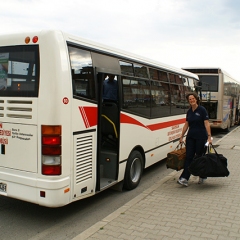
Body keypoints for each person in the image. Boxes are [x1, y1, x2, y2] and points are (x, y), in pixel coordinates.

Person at [178, 92, 212, 187]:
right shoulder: (189, 112)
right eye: (190, 99)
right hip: (191, 138)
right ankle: (184, 178)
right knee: (189, 157)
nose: (192, 100)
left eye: (193, 98)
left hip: (201, 138)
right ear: (188, 101)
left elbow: (206, 123)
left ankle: (202, 175)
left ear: (196, 99)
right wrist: (181, 136)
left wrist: (209, 137)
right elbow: (186, 125)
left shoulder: (202, 110)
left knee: (199, 157)